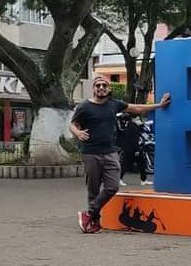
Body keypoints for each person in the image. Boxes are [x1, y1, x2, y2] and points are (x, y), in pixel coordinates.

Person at [69, 74, 170, 234]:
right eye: (98, 85)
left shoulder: (114, 104)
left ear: (109, 89)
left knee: (112, 187)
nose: (101, 88)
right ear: (94, 88)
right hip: (90, 153)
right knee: (93, 189)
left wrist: (159, 105)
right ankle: (94, 223)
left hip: (110, 153)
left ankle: (88, 214)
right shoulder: (84, 107)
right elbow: (73, 124)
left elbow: (136, 108)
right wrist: (77, 133)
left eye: (104, 85)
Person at [119, 115, 153, 186]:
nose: (139, 121)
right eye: (138, 119)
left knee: (141, 164)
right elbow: (134, 140)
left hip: (133, 149)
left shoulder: (133, 126)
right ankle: (119, 179)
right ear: (133, 119)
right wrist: (136, 150)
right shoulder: (132, 127)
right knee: (126, 164)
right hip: (132, 149)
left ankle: (143, 180)